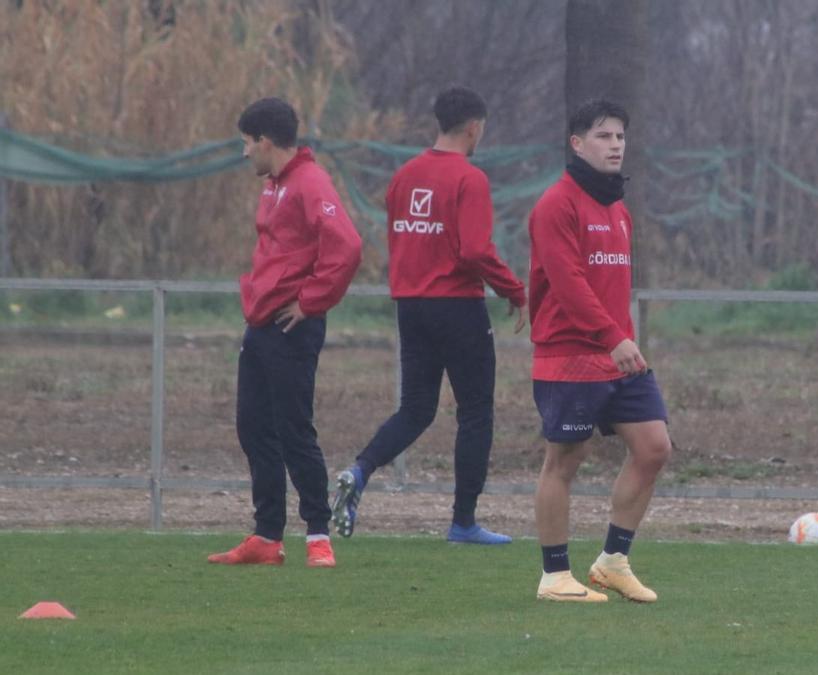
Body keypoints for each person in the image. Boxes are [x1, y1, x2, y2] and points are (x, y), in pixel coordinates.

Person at [331, 87, 526, 544]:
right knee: (476, 412)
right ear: (475, 127)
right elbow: (475, 249)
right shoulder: (468, 179)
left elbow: (405, 236)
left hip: (411, 306)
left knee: (417, 409)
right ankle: (463, 522)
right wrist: (514, 290)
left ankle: (360, 471)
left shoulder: (404, 176)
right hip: (457, 305)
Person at [208, 97, 362, 567]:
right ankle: (267, 537)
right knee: (253, 427)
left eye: (246, 144)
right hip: (261, 323)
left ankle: (318, 537)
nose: (244, 153)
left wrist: (311, 301)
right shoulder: (275, 185)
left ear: (266, 141)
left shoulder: (310, 183)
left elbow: (348, 246)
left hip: (291, 326)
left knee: (295, 430)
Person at [528, 99, 672, 602]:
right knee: (564, 462)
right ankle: (554, 577)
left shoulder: (617, 208)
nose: (615, 145)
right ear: (577, 144)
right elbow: (568, 285)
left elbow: (610, 287)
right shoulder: (556, 204)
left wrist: (619, 341)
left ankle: (612, 561)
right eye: (604, 136)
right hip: (570, 355)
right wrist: (614, 338)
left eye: (620, 137)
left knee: (655, 447)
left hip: (617, 356)